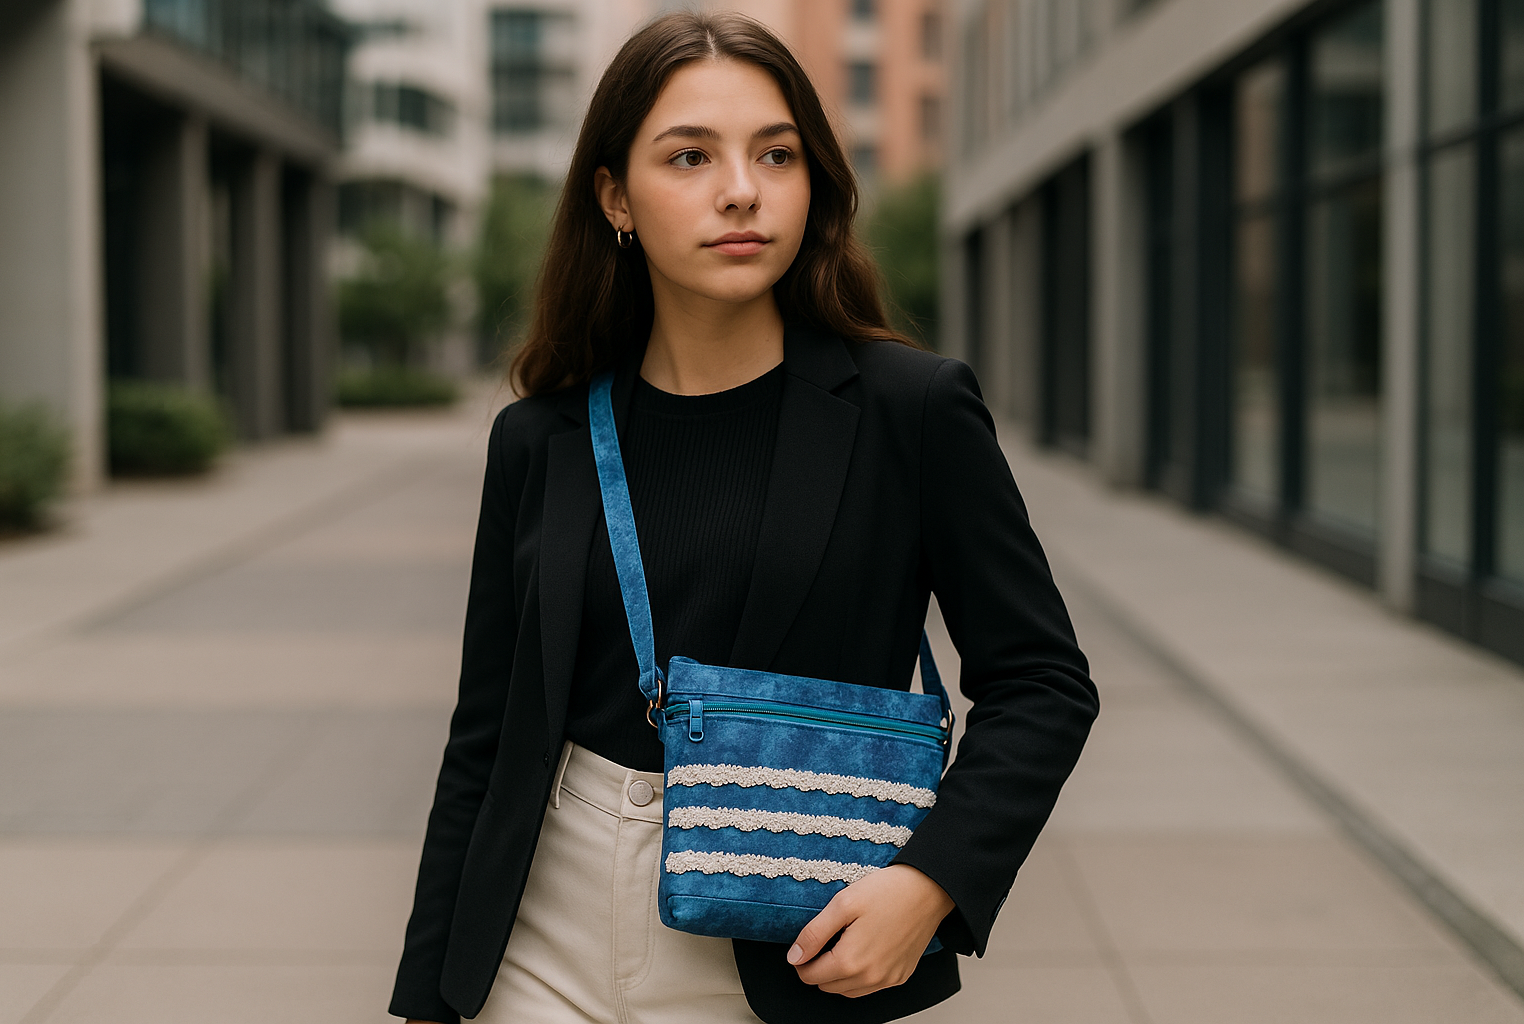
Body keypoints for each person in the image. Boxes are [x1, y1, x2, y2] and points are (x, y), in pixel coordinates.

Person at [390, 11, 1097, 1024]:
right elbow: (486, 736)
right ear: (614, 195)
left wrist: (932, 879)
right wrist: (429, 997)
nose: (742, 189)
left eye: (778, 154)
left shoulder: (910, 410)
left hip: (785, 930)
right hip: (540, 921)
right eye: (689, 156)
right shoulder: (538, 438)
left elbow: (1041, 682)